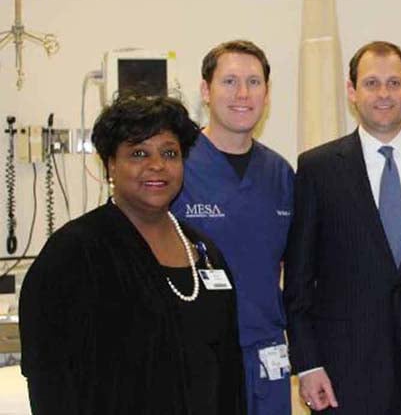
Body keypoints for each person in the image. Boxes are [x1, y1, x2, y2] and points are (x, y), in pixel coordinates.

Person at [19, 95, 245, 415]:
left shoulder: (205, 252)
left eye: (169, 153)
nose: (157, 165)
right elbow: (49, 378)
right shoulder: (75, 252)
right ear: (111, 164)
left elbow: (229, 372)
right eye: (139, 153)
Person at [284, 41, 401, 414]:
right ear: (352, 91)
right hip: (343, 372)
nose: (383, 94)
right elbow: (299, 280)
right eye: (371, 83)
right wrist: (308, 363)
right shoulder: (318, 169)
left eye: (394, 83)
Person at [171, 40, 294, 415]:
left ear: (267, 94)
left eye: (254, 82)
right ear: (205, 90)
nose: (243, 94)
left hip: (266, 354)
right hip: (194, 353)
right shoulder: (175, 168)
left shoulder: (280, 174)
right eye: (229, 81)